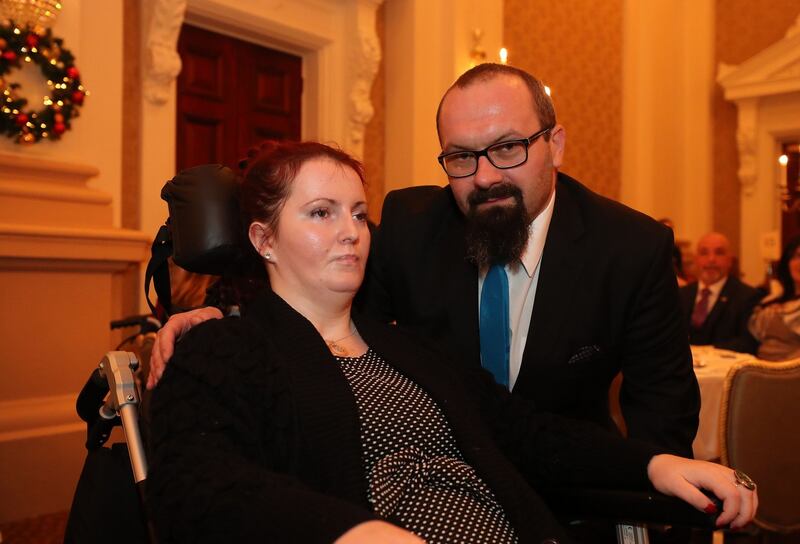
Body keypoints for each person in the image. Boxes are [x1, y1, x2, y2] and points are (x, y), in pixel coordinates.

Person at [146, 140, 756, 544]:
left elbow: (529, 434)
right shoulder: (223, 352)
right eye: (321, 213)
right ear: (264, 239)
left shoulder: (410, 351)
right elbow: (199, 482)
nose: (351, 233)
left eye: (359, 214)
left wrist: (655, 461)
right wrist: (350, 532)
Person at [148, 64, 701, 459]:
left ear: (554, 144)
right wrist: (228, 322)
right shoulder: (411, 222)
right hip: (425, 470)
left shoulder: (630, 246)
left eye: (508, 148)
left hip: (568, 483)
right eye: (461, 156)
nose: (485, 177)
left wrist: (653, 487)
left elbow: (663, 412)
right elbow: (329, 313)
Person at [679, 232, 761, 354]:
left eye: (719, 253)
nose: (711, 259)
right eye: (704, 253)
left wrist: (707, 350)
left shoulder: (747, 296)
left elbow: (748, 343)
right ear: (696, 260)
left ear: (730, 260)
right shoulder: (681, 294)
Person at [749, 236, 800, 361]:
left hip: (791, 372)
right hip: (759, 366)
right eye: (796, 256)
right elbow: (754, 334)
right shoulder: (775, 298)